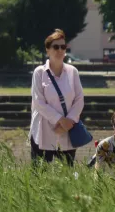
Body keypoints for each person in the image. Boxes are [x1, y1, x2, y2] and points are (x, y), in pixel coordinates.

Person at [30, 29, 85, 165]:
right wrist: (61, 120)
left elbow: (79, 100)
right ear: (48, 50)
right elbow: (38, 102)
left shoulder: (73, 72)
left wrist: (69, 121)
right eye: (56, 47)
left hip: (67, 132)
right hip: (43, 132)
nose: (60, 50)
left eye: (63, 46)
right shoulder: (39, 72)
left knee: (66, 173)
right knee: (40, 173)